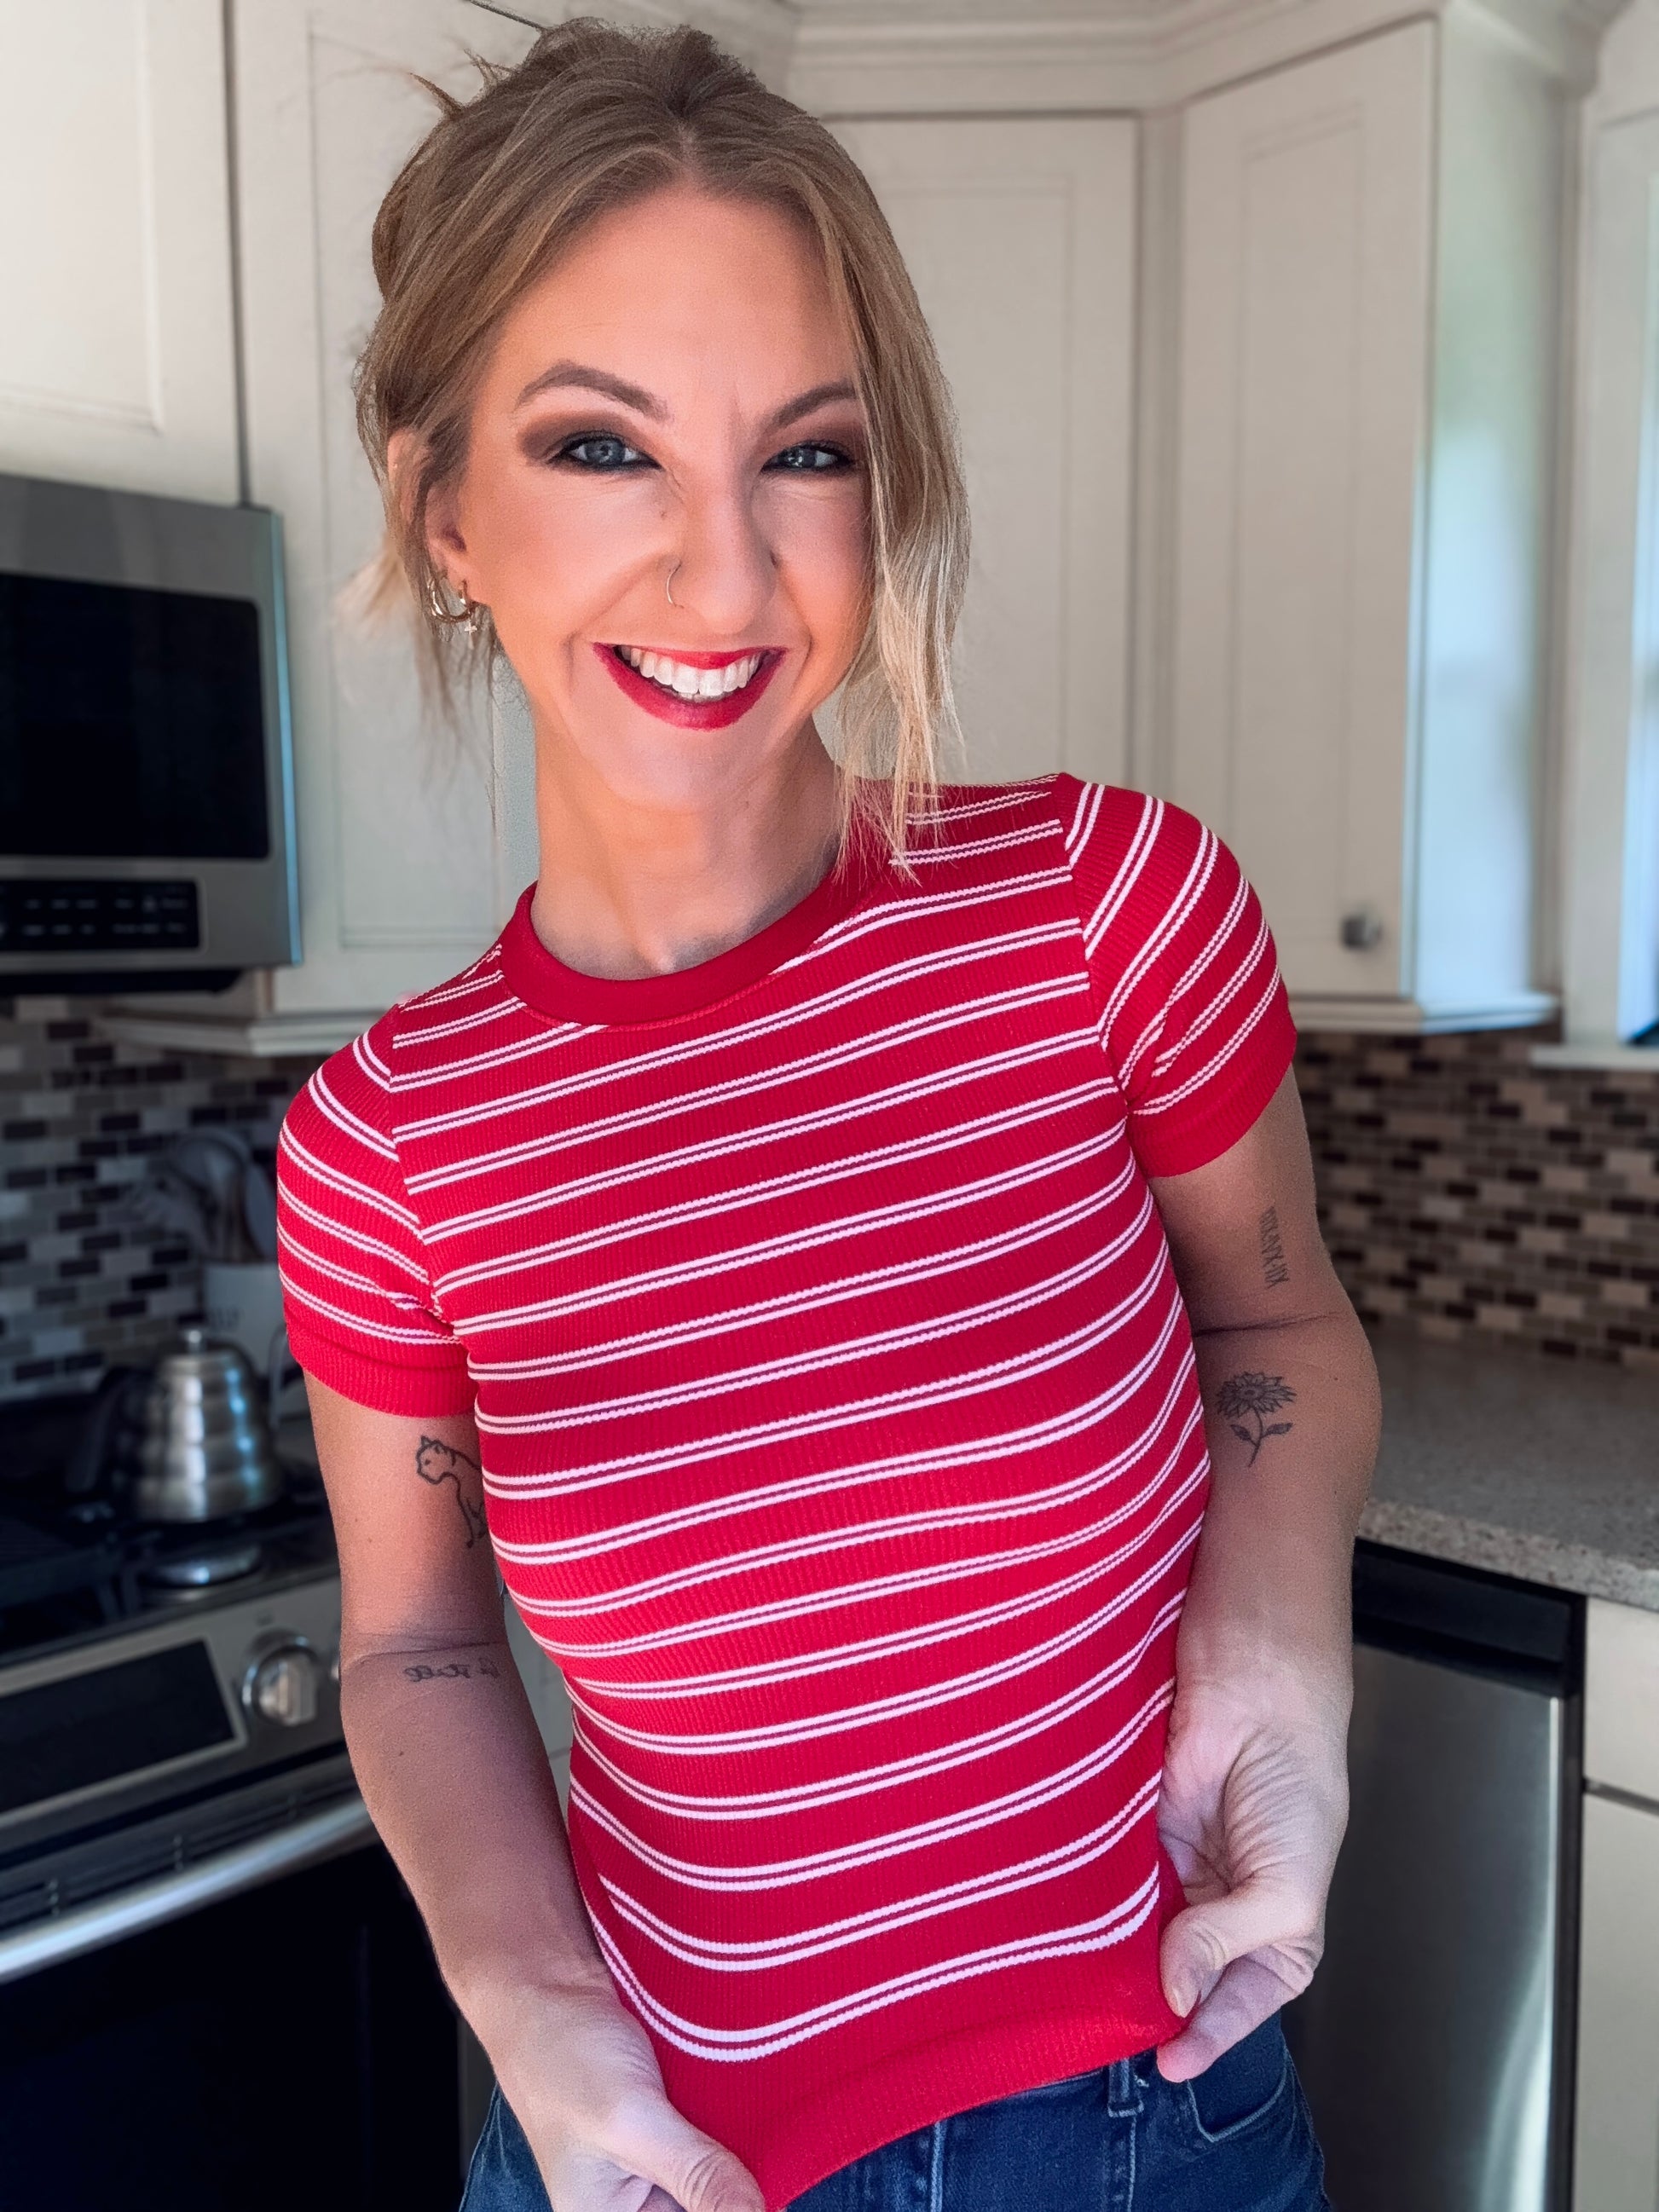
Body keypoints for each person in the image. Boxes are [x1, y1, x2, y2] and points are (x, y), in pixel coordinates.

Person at [275, 21, 1380, 2212]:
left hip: (1145, 2115)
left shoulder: (1109, 910)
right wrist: (533, 2008)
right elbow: (414, 1643)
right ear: (442, 509)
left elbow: (1279, 1331)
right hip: (650, 2148)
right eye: (603, 446)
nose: (724, 575)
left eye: (807, 453)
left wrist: (1281, 1660)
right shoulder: (387, 1140)